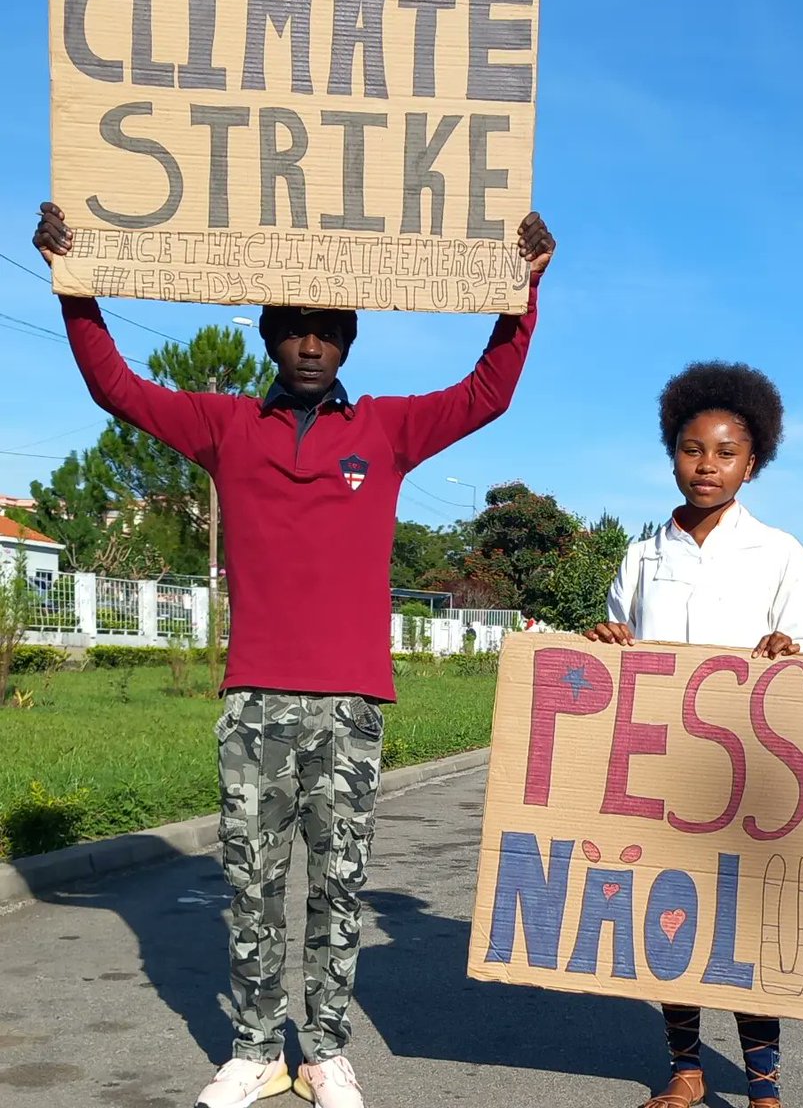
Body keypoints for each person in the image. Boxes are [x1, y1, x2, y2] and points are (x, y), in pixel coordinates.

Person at [34, 202, 555, 1108]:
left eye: (326, 331)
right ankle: (253, 1050)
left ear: (347, 341)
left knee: (339, 890)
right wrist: (77, 288)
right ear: (272, 338)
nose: (310, 345)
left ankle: (322, 1054)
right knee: (252, 886)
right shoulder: (223, 427)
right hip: (254, 702)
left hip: (351, 704)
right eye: (294, 331)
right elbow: (117, 388)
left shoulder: (386, 433)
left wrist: (522, 291)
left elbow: (487, 393)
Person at [584, 361, 803, 1108]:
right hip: (657, 769)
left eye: (725, 452)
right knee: (671, 921)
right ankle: (684, 1069)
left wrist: (788, 650)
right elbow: (620, 652)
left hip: (745, 770)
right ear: (671, 451)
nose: (706, 465)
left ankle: (761, 1087)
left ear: (753, 464)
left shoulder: (780, 553)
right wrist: (605, 640)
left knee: (743, 931)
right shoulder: (642, 554)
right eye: (692, 449)